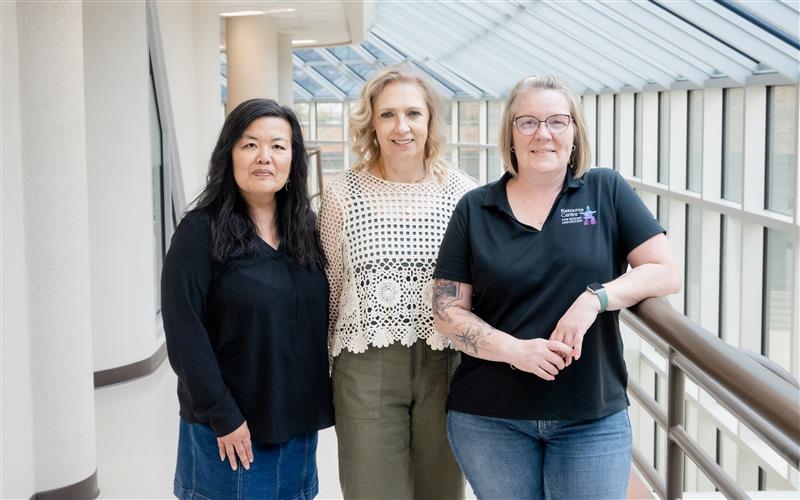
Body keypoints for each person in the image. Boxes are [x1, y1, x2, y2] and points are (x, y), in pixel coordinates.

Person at [432, 75, 681, 500]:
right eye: (527, 122)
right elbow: (447, 312)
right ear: (510, 133)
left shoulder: (605, 190)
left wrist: (596, 298)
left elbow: (665, 271)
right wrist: (516, 350)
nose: (542, 133)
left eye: (557, 121)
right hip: (490, 419)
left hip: (590, 416)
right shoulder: (476, 208)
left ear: (574, 132)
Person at [161, 98, 333, 500]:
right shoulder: (198, 233)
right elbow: (184, 333)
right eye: (250, 144)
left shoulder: (306, 229)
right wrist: (223, 416)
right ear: (229, 155)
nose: (264, 157)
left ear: (293, 159)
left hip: (296, 430)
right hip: (228, 432)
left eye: (278, 146)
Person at [317, 66, 476, 499]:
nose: (401, 127)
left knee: (441, 489)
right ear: (371, 122)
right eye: (387, 115)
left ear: (430, 121)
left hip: (446, 363)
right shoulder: (340, 193)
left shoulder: (464, 193)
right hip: (364, 365)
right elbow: (329, 285)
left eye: (413, 113)